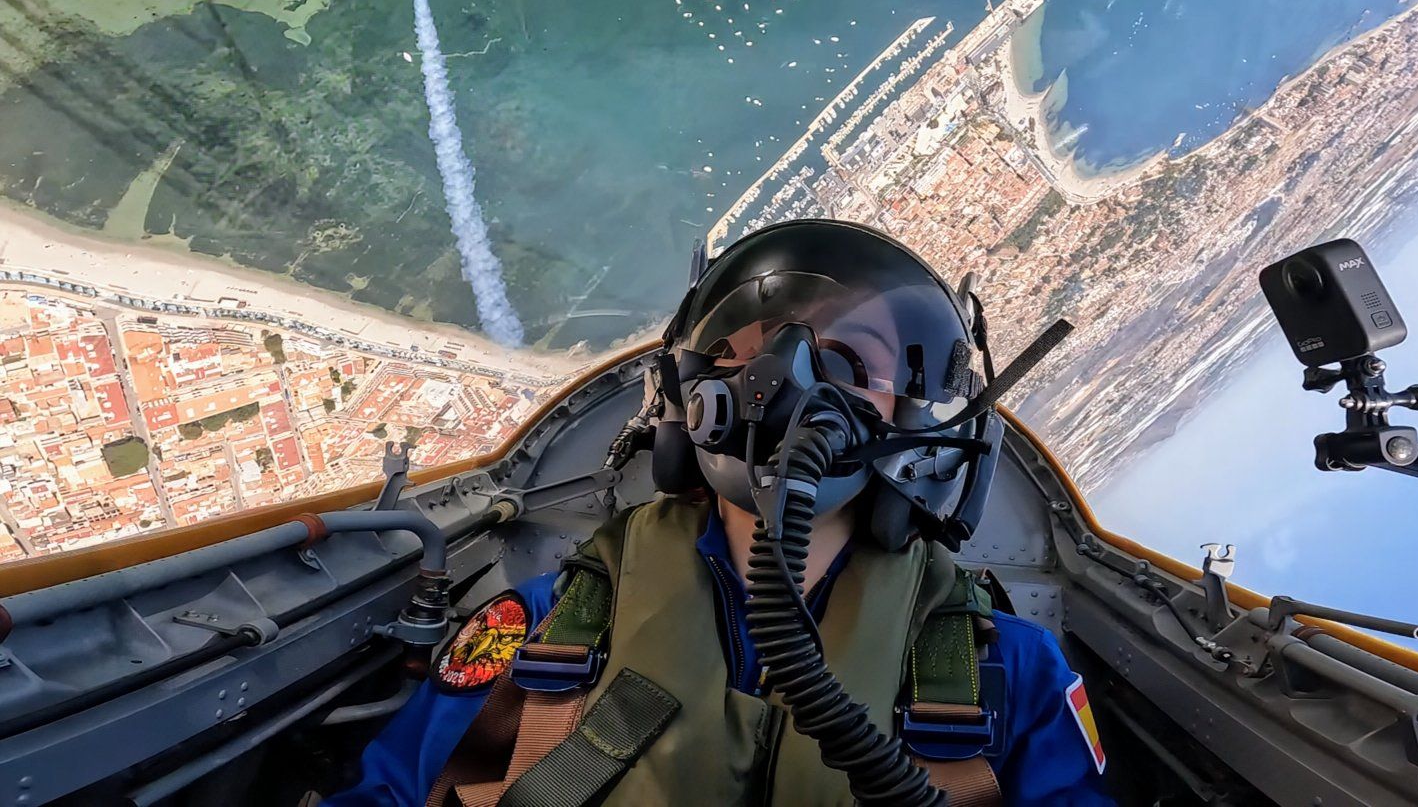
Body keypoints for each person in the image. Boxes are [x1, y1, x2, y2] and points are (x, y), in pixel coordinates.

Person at [326, 221, 1113, 806]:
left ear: (916, 419)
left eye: (853, 359)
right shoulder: (546, 628)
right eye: (746, 349)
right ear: (686, 399)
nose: (786, 379)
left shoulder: (1008, 672)